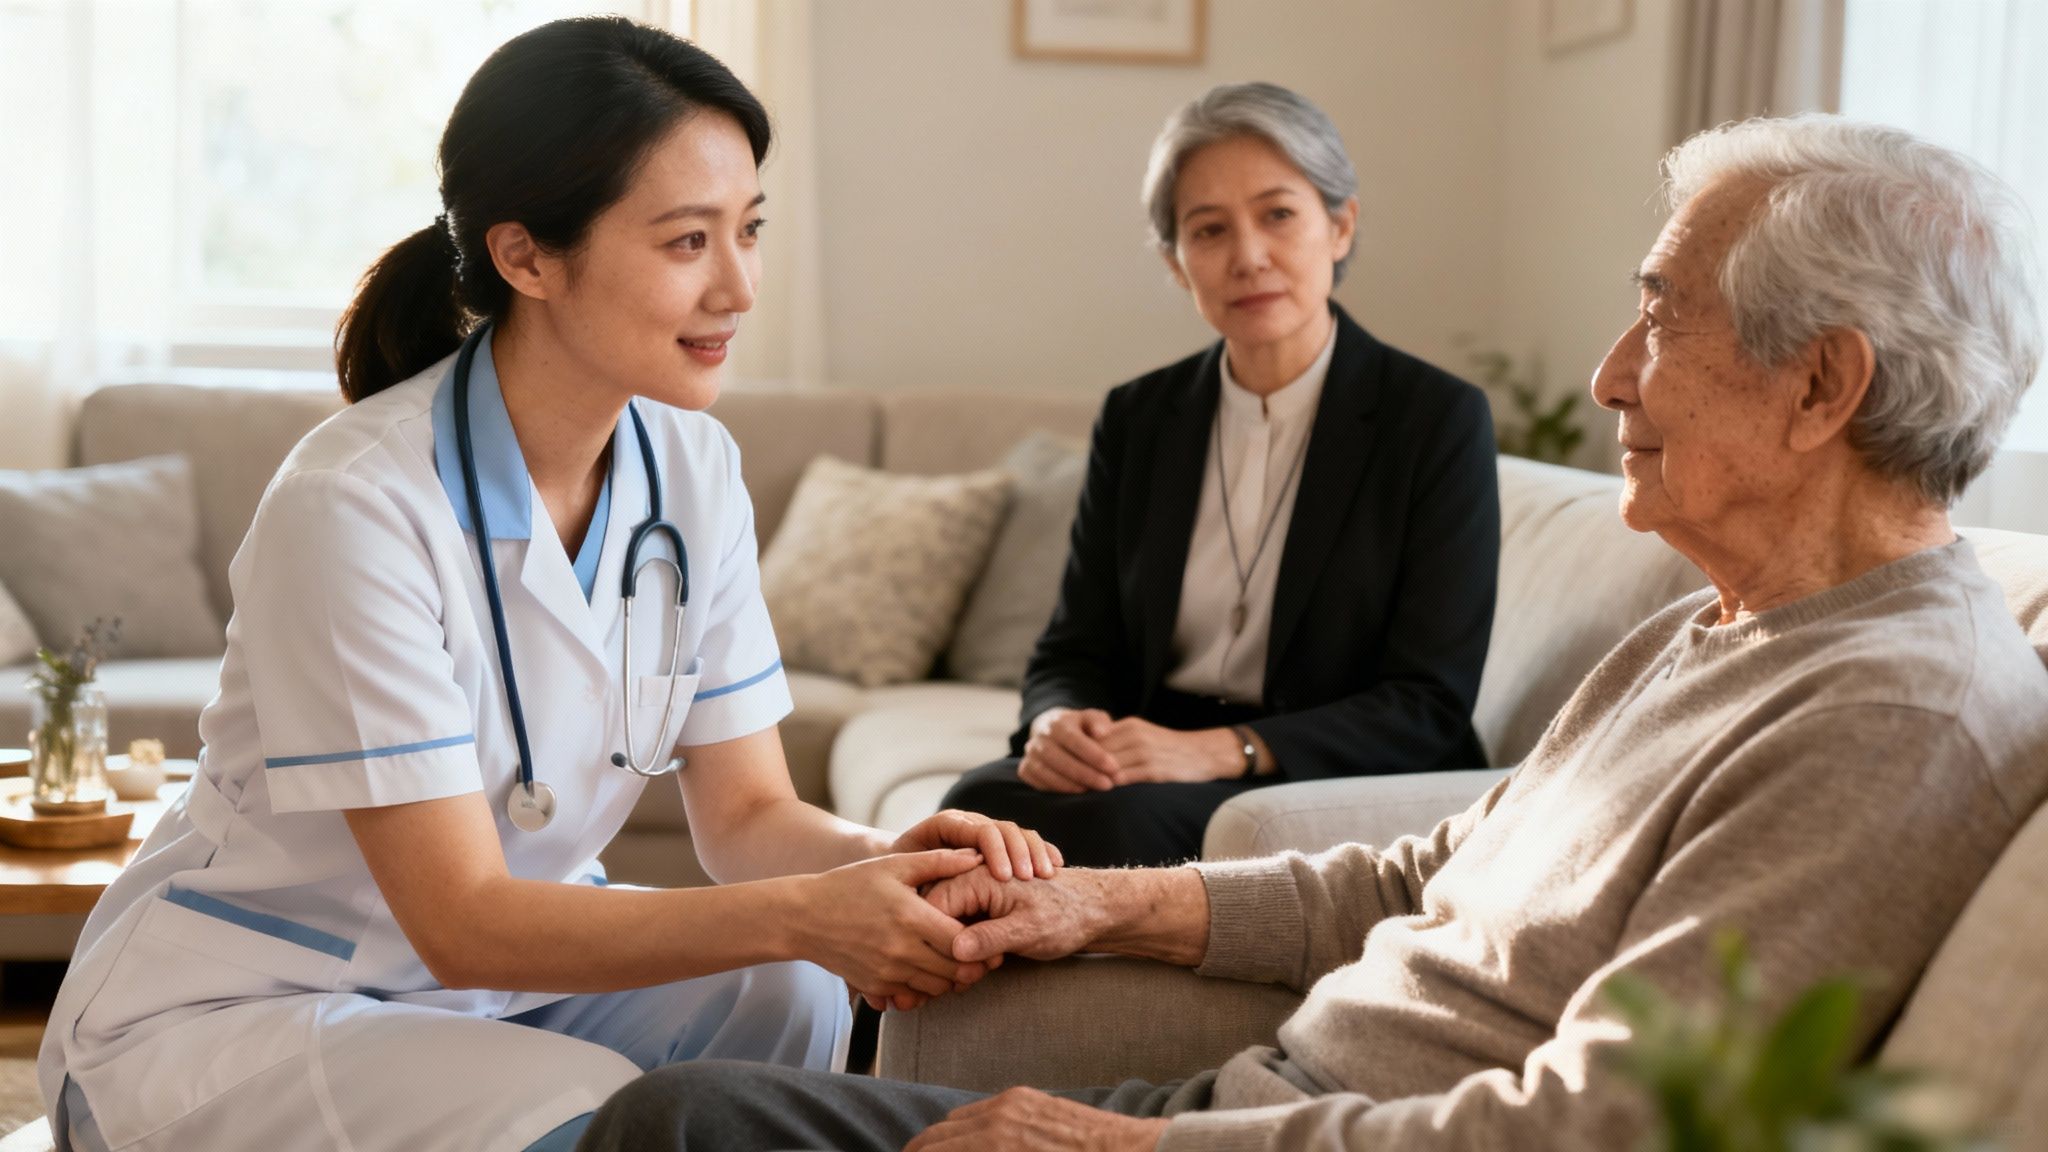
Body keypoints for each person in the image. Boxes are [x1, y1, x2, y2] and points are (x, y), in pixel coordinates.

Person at [567, 114, 2048, 1151]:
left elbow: (1603, 1130)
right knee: (690, 1112)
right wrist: (1101, 903)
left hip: (1273, 1132)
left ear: (1821, 388)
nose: (1608, 377)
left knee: (677, 1122)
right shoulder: (1735, 625)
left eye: (1660, 318)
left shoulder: (1887, 717)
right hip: (1264, 1094)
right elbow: (1430, 868)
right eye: (1206, 228)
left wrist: (1122, 1149)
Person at [35, 18, 1055, 1152]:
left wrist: (895, 862)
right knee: (587, 1103)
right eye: (686, 243)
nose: (739, 286)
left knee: (790, 990)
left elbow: (748, 818)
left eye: (749, 231)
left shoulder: (693, 468)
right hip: (261, 1001)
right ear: (526, 257)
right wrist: (809, 914)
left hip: (491, 978)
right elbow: (460, 920)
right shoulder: (356, 501)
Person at [941, 83, 1500, 868]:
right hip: (1146, 757)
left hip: (1323, 778)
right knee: (969, 815)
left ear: (1340, 226)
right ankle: (872, 999)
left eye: (1278, 214)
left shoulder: (1434, 419)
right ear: (1176, 263)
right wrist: (1056, 722)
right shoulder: (1140, 418)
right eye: (1209, 230)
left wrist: (1218, 751)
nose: (1248, 256)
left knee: (1103, 835)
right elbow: (1075, 646)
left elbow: (1429, 704)